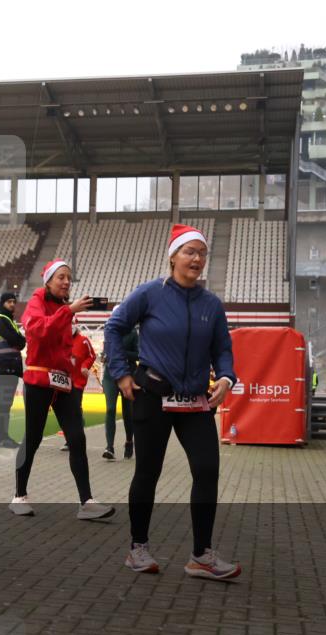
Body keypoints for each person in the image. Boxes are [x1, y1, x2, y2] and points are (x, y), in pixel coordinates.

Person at [105, 223, 239, 580]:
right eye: (189, 252)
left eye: (201, 253)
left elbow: (223, 349)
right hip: (152, 396)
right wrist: (121, 373)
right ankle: (138, 548)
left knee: (208, 469)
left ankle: (201, 556)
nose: (196, 259)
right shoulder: (150, 294)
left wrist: (226, 377)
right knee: (148, 471)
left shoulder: (212, 304)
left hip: (195, 401)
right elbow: (114, 327)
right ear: (173, 256)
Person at [10, 259, 115, 521]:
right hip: (39, 379)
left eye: (69, 278)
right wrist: (68, 311)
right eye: (61, 277)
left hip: (62, 381)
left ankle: (86, 502)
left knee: (77, 438)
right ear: (47, 280)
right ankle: (19, 496)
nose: (67, 282)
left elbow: (63, 343)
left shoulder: (63, 308)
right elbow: (36, 330)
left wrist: (71, 365)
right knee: (33, 438)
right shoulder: (37, 301)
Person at [0, 292, 25, 448]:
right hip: (5, 366)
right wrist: (21, 340)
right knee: (3, 405)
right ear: (2, 303)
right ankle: (2, 438)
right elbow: (18, 341)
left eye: (14, 302)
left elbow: (20, 342)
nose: (12, 304)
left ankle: (2, 437)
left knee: (4, 404)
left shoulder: (4, 319)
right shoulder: (1, 319)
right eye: (9, 301)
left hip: (6, 366)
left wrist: (20, 341)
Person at [102, 322, 139, 460]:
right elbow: (106, 351)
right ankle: (109, 447)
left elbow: (138, 354)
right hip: (109, 374)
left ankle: (129, 441)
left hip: (127, 374)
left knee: (128, 413)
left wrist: (121, 352)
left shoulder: (133, 333)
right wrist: (105, 355)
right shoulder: (109, 330)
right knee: (110, 408)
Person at [64, 326, 98, 453]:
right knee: (68, 409)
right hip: (65, 380)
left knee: (75, 407)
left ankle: (73, 439)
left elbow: (92, 356)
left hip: (78, 381)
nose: (69, 326)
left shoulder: (83, 340)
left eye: (72, 323)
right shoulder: (62, 339)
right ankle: (71, 438)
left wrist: (85, 366)